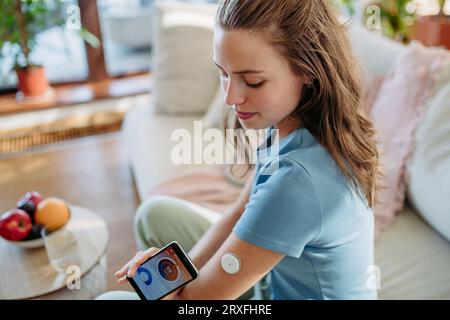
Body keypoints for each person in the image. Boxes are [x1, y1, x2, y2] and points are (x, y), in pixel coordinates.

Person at [97, 0, 379, 300]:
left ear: (307, 70)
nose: (231, 97)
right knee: (155, 213)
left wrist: (171, 292)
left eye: (253, 82)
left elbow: (196, 303)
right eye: (223, 73)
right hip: (269, 283)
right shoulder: (287, 125)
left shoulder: (300, 182)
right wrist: (181, 273)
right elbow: (239, 212)